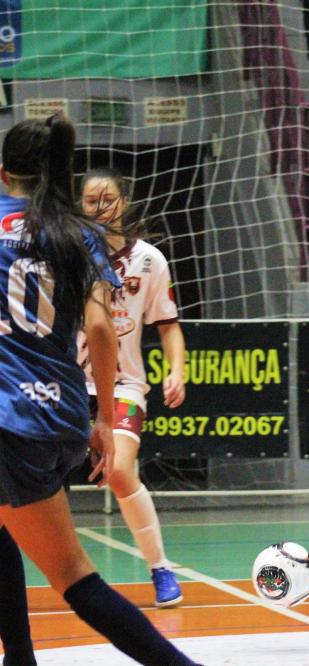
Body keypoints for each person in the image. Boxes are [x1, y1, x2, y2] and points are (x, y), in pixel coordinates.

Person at [0, 115, 197, 665]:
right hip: (57, 416)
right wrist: (105, 419)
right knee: (69, 573)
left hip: (4, 413)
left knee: (62, 567)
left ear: (2, 172)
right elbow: (103, 331)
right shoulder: (79, 235)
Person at [76, 168, 187, 609]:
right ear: (79, 207)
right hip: (64, 383)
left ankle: (161, 569)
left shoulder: (150, 260)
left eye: (108, 198)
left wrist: (176, 369)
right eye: (90, 200)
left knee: (120, 471)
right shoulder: (68, 255)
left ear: (124, 202)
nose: (101, 206)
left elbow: (168, 326)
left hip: (122, 384)